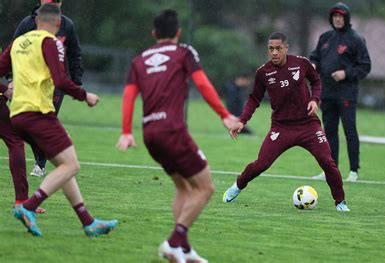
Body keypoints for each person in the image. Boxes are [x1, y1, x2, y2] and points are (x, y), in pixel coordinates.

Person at [116, 9, 238, 263]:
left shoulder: (138, 60)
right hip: (172, 131)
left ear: (153, 34)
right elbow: (202, 83)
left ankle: (183, 249)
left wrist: (127, 131)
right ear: (178, 32)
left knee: (183, 186)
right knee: (205, 188)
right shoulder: (184, 52)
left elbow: (129, 96)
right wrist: (224, 114)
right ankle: (173, 242)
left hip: (149, 134)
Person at [0, 3, 117, 237]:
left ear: (36, 21)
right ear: (56, 23)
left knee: (65, 164)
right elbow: (62, 81)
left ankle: (88, 222)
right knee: (72, 165)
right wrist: (86, 96)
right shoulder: (51, 42)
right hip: (39, 113)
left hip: (18, 112)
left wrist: (6, 88)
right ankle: (28, 207)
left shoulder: (17, 43)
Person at [223, 32, 350, 212]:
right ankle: (237, 186)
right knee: (261, 164)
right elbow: (254, 99)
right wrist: (242, 120)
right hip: (282, 128)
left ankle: (341, 202)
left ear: (286, 48)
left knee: (327, 162)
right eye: (271, 49)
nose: (274, 52)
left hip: (309, 126)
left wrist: (315, 99)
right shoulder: (264, 72)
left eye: (278, 48)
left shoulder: (301, 63)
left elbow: (316, 81)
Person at [8, 0, 84, 177]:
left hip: (56, 85)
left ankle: (41, 163)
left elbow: (74, 53)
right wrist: (11, 79)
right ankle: (59, 156)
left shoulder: (67, 25)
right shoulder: (27, 24)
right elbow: (12, 52)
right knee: (28, 126)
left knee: (45, 123)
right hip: (29, 84)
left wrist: (76, 82)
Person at [309, 2, 371, 182]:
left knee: (349, 131)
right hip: (327, 93)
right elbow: (315, 57)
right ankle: (330, 169)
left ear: (346, 18)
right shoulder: (325, 37)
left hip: (346, 94)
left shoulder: (356, 40)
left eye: (341, 16)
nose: (337, 19)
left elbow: (365, 66)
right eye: (335, 16)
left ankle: (353, 171)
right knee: (329, 132)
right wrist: (312, 65)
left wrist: (346, 73)